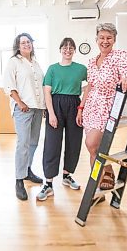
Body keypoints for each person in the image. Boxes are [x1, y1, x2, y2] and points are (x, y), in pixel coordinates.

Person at [76, 23, 127, 200]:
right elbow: (89, 86)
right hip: (90, 107)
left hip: (106, 106)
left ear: (114, 39)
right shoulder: (91, 61)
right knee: (93, 150)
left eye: (109, 38)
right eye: (102, 38)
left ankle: (108, 171)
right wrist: (81, 108)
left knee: (92, 144)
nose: (105, 41)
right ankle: (98, 189)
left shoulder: (119, 56)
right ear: (96, 39)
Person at [36, 38, 87, 201]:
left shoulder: (81, 69)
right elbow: (47, 92)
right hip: (56, 105)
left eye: (71, 47)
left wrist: (81, 109)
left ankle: (67, 175)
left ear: (74, 50)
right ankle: (48, 183)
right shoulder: (52, 69)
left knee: (74, 142)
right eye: (65, 47)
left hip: (74, 105)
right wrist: (51, 113)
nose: (68, 50)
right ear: (60, 50)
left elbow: (88, 89)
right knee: (52, 144)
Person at [3, 33, 45, 201]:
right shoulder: (14, 62)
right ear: (18, 46)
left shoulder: (35, 63)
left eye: (29, 42)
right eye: (23, 42)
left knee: (33, 142)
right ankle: (19, 180)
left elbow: (40, 86)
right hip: (23, 108)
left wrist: (44, 106)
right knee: (23, 144)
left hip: (37, 108)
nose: (27, 44)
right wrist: (19, 102)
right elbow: (8, 84)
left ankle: (27, 170)